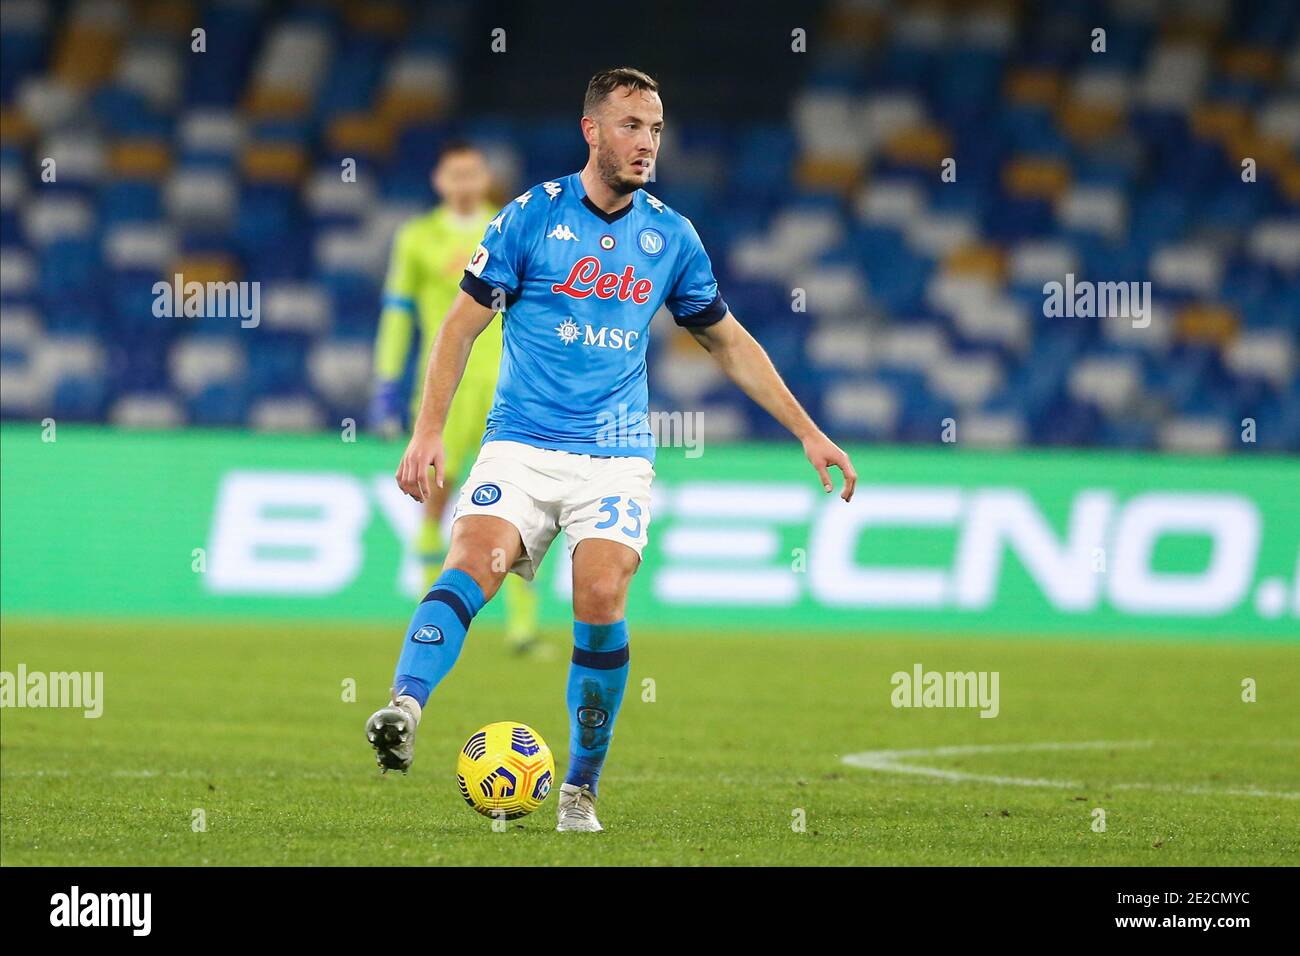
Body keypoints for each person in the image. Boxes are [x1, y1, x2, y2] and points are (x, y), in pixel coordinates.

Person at [367, 68, 857, 832]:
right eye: (632, 125)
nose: (647, 143)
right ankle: (403, 706)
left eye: (656, 128)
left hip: (615, 455)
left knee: (599, 596)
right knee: (472, 561)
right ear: (593, 130)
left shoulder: (671, 236)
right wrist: (428, 430)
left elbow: (726, 342)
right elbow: (459, 327)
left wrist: (808, 429)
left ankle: (579, 789)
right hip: (520, 444)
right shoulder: (528, 216)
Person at [370, 141, 541, 654]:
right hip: (442, 389)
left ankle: (522, 630)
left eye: (472, 173)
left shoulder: (511, 225)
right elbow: (398, 312)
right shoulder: (418, 238)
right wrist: (385, 382)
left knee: (516, 507)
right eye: (455, 174)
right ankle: (430, 621)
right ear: (439, 181)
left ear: (484, 177)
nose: (464, 183)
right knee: (433, 500)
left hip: (507, 385)